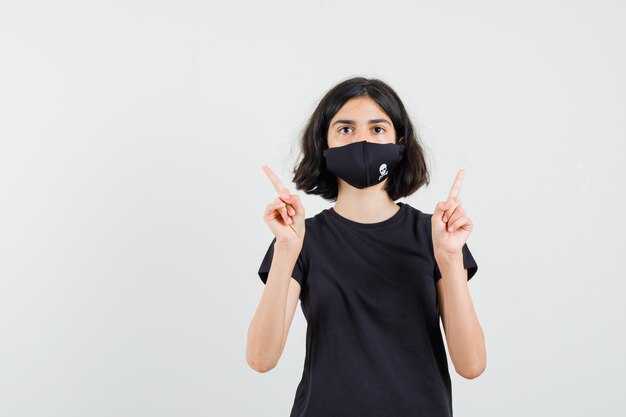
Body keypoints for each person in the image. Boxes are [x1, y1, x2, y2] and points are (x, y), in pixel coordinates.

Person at [246, 77, 485, 417]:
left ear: (399, 143)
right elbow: (261, 358)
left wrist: (449, 259)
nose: (362, 140)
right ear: (324, 144)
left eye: (377, 129)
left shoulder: (436, 235)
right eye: (345, 129)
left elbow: (471, 364)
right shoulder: (300, 239)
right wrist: (285, 251)